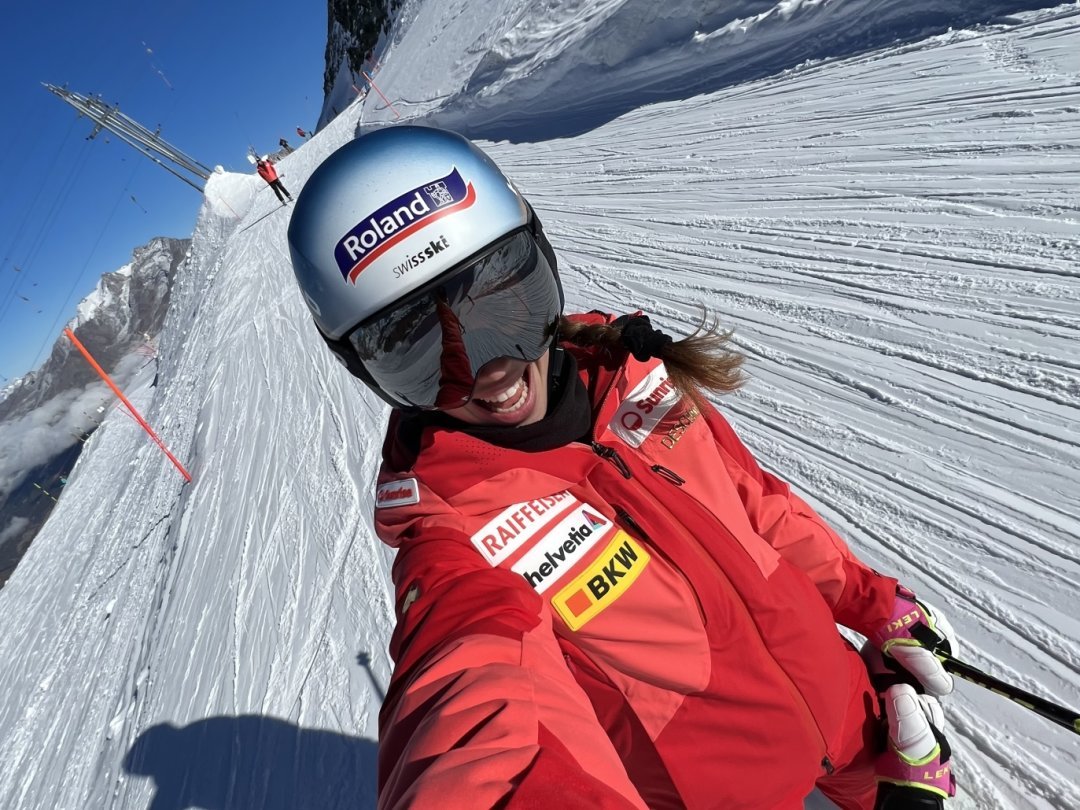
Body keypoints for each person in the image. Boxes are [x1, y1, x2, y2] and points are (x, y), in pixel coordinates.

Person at [286, 125, 959, 809]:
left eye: (502, 306)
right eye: (418, 354)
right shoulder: (455, 532)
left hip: (849, 718)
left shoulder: (635, 377)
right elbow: (472, 697)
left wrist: (873, 603)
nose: (488, 373)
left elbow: (756, 506)